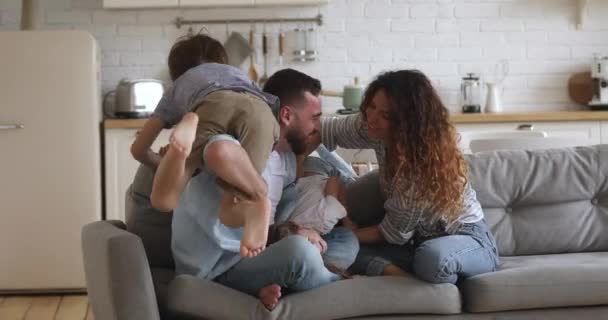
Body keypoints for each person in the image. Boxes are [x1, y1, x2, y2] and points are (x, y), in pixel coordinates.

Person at [171, 69, 358, 311]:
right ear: (287, 115)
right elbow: (219, 152)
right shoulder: (240, 144)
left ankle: (281, 281)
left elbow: (266, 231)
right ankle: (336, 283)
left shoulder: (285, 160)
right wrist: (295, 238)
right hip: (217, 267)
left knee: (346, 240)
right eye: (314, 117)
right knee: (300, 253)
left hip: (255, 254)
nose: (318, 126)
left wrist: (296, 230)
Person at [321, 70, 500, 284]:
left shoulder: (418, 164)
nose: (372, 118)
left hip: (468, 240)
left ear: (406, 123)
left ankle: (428, 281)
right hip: (417, 243)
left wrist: (342, 236)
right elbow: (326, 129)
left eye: (386, 115)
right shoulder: (373, 126)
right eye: (371, 106)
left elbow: (395, 233)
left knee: (432, 258)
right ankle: (402, 275)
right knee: (340, 252)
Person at [130, 32, 281, 257]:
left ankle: (182, 146)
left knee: (164, 200)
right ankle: (258, 201)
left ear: (176, 71)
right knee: (231, 208)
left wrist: (163, 162)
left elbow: (139, 149)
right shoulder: (239, 75)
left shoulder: (182, 84)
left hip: (210, 106)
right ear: (221, 60)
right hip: (263, 113)